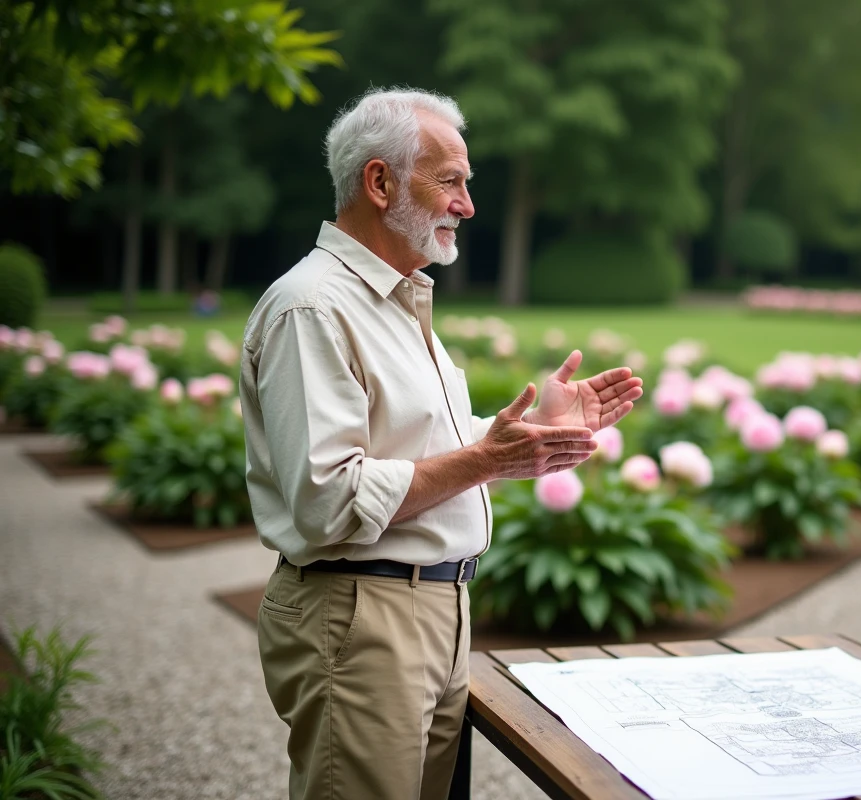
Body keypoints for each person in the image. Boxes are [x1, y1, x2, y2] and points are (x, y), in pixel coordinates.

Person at [239, 87, 643, 800]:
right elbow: (327, 500)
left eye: (466, 184)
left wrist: (522, 436)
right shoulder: (313, 307)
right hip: (362, 618)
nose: (467, 204)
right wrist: (490, 459)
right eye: (450, 181)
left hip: (429, 613)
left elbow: (413, 450)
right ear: (379, 181)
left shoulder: (394, 298)